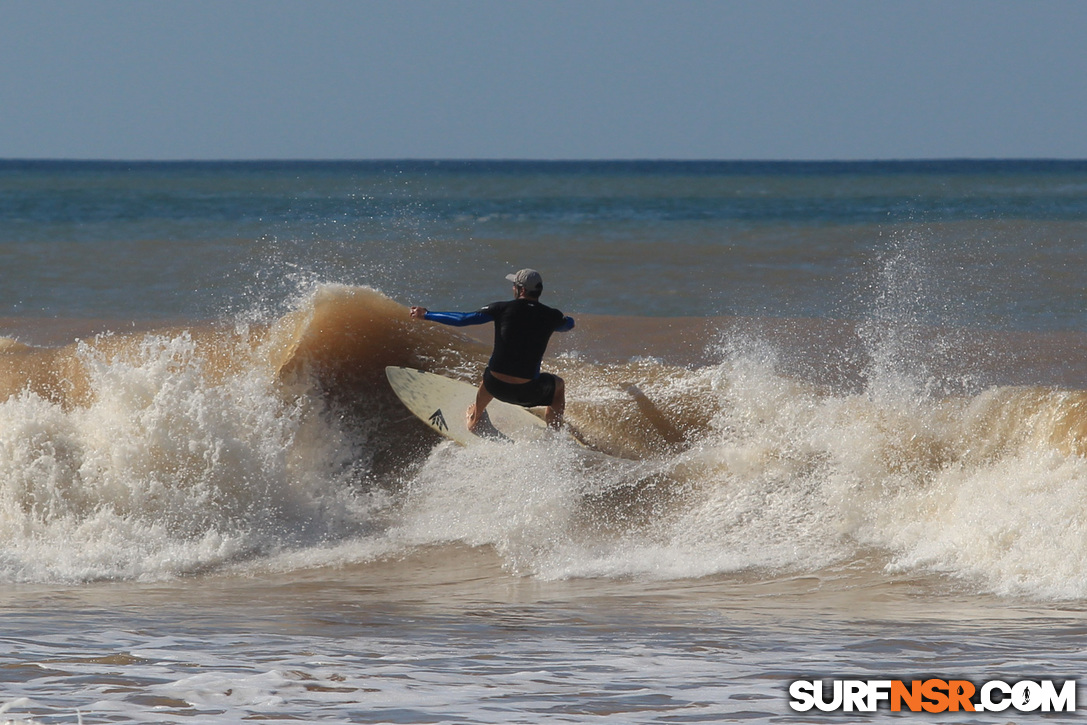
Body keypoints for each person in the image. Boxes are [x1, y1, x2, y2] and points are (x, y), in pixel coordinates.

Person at [410, 269, 575, 432]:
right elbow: (568, 325)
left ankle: (475, 418)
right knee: (558, 385)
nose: (513, 289)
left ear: (522, 290)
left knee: (490, 372)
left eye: (514, 286)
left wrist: (427, 314)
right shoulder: (551, 316)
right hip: (528, 393)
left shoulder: (501, 308)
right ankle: (554, 434)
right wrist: (566, 321)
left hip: (495, 386)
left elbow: (463, 319)